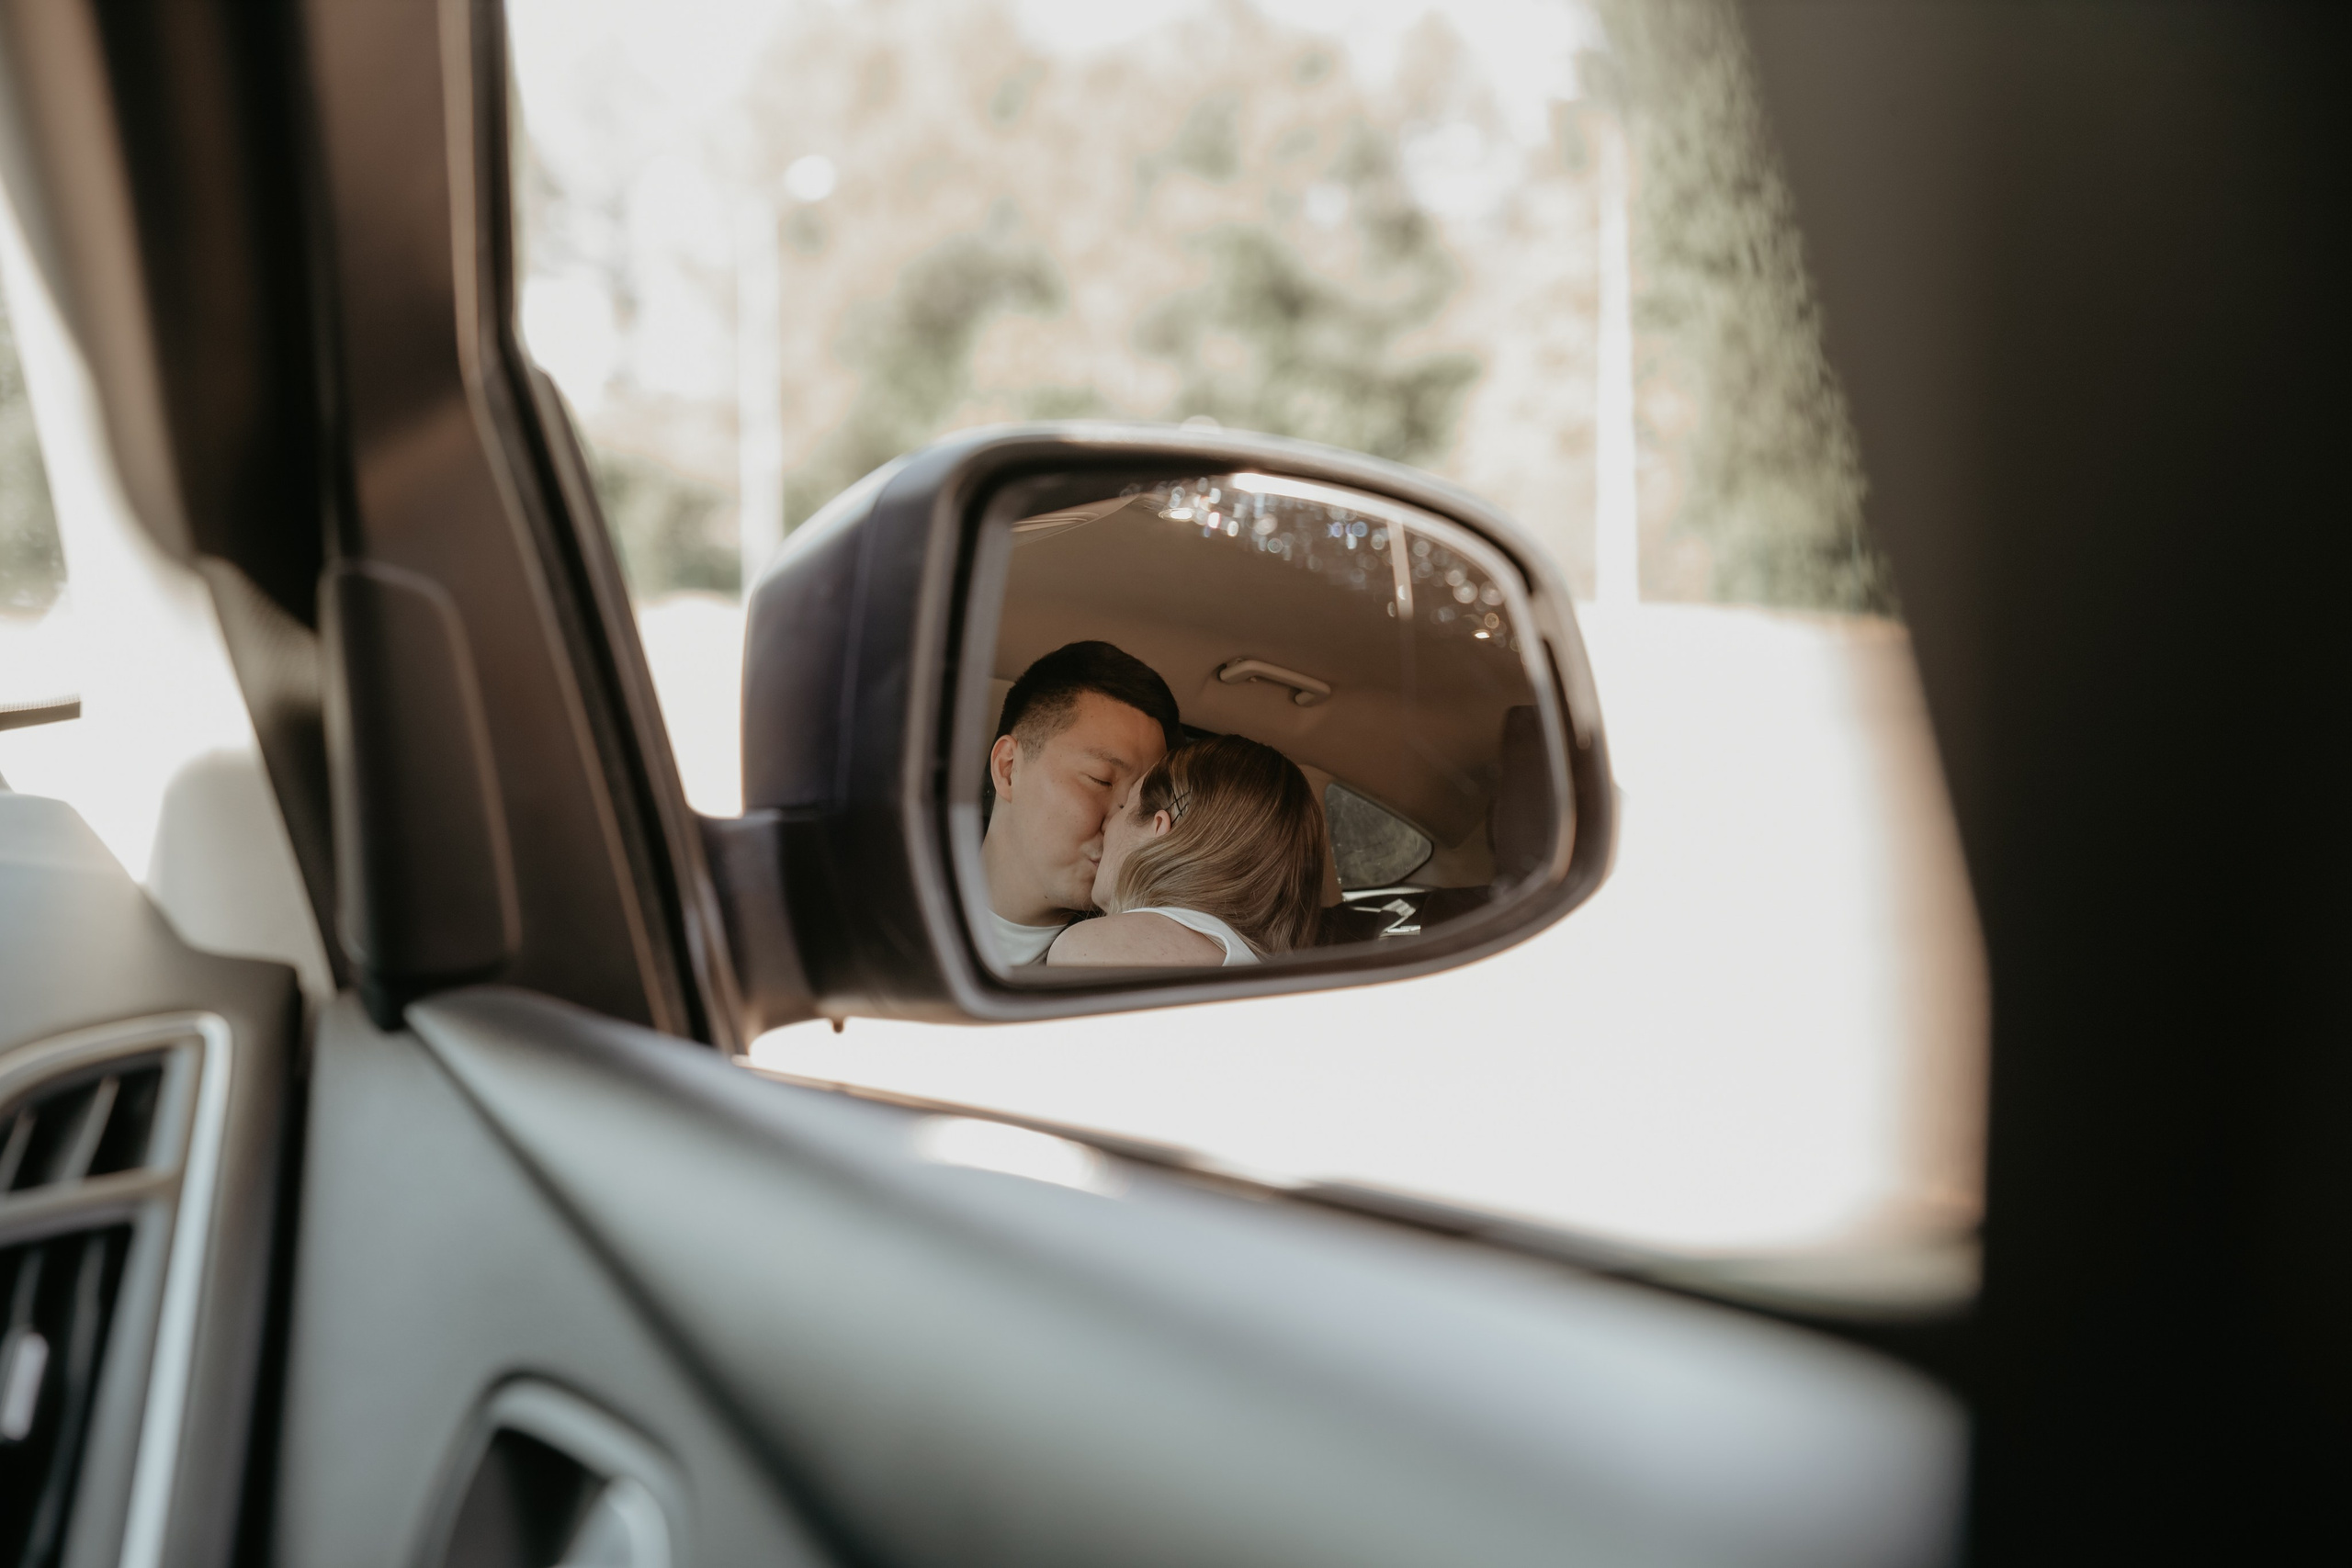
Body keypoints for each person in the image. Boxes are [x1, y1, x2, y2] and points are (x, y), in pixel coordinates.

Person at [982, 641, 1184, 964]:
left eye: (1143, 799)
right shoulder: (889, 892)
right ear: (1008, 769)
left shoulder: (1130, 961)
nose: (1127, 822)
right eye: (1102, 780)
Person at [1048, 734, 1326, 967]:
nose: (1107, 825)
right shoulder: (1284, 981)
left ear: (1158, 827)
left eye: (1124, 806)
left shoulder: (1090, 951)